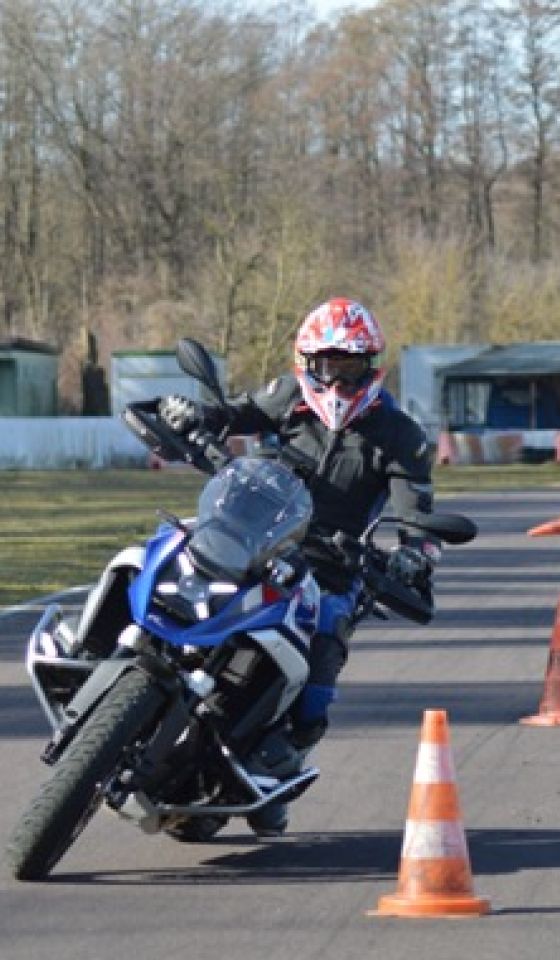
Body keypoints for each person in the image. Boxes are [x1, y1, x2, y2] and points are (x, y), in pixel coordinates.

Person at [159, 297, 438, 836]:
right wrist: (195, 414)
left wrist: (413, 553)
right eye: (327, 363)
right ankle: (105, 658)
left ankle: (282, 762)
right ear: (307, 362)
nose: (336, 377)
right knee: (170, 559)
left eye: (349, 364)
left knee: (326, 640)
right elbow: (232, 414)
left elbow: (416, 509)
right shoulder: (286, 395)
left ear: (372, 365)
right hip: (250, 539)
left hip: (331, 564)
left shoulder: (400, 434)